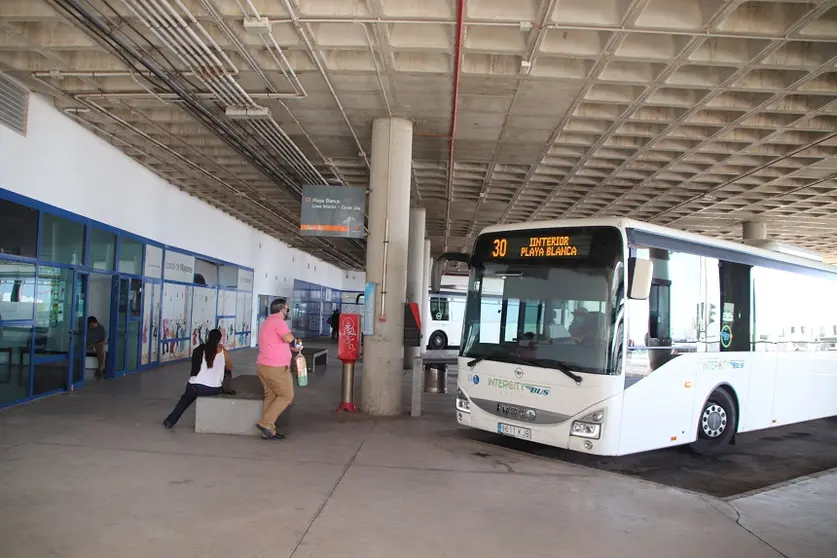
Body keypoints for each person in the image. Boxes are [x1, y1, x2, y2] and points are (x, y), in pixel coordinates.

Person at [163, 329, 231, 428]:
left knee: (185, 399)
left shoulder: (200, 349)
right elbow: (229, 367)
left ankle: (170, 421)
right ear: (220, 339)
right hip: (213, 389)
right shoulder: (224, 352)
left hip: (195, 386)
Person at [255, 298, 299, 440]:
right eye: (287, 309)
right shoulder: (278, 321)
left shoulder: (267, 322)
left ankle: (268, 431)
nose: (287, 312)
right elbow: (288, 338)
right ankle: (266, 423)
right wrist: (295, 343)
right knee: (287, 395)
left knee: (271, 395)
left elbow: (278, 341)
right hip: (276, 367)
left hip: (263, 365)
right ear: (281, 310)